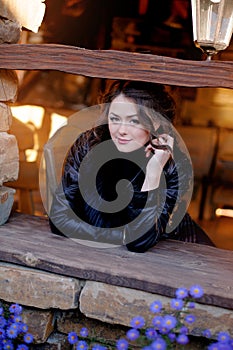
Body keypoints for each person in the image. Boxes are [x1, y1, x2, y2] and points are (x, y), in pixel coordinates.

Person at [48, 80, 215, 252]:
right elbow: (59, 219)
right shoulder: (88, 145)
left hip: (180, 250)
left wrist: (153, 173)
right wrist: (122, 236)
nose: (121, 130)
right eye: (114, 119)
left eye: (134, 121)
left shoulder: (173, 164)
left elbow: (140, 242)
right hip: (109, 253)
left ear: (156, 123)